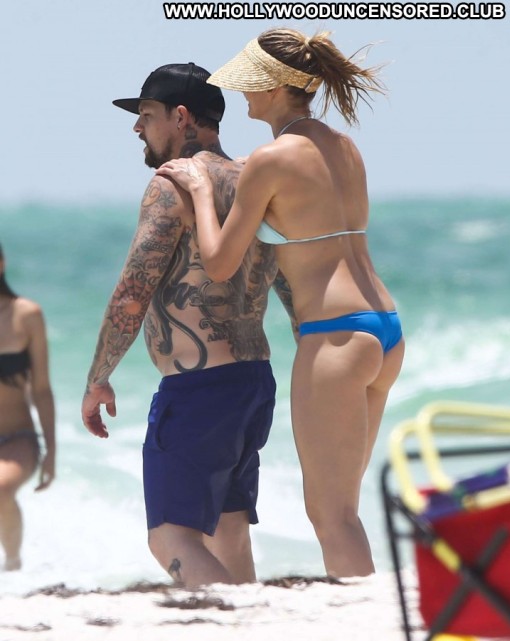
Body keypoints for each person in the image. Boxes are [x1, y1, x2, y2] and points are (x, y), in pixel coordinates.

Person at [157, 29, 405, 578]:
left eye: (249, 84)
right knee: (344, 509)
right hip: (384, 325)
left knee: (332, 517)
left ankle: (361, 620)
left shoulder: (270, 160)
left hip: (335, 334)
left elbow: (219, 262)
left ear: (272, 87)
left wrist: (200, 192)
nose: (242, 95)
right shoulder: (344, 147)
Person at [81, 63, 284, 589]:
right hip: (253, 380)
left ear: (181, 117)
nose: (137, 128)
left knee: (170, 538)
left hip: (199, 390)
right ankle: (255, 622)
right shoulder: (255, 180)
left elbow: (133, 290)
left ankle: (231, 619)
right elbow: (287, 281)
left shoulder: (171, 183)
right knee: (229, 531)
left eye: (147, 115)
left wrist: (99, 377)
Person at [0, 243, 56, 571]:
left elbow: (42, 390)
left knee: (0, 488)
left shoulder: (27, 314)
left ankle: (12, 566)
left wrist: (51, 450)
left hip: (17, 439)